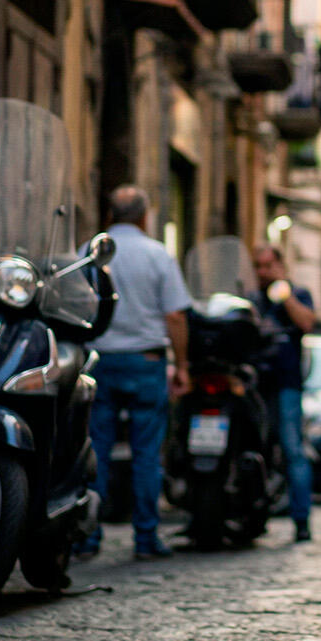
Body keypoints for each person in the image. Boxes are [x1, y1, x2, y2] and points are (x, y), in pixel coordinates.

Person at [79, 185, 191, 560]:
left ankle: (88, 537)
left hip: (101, 362)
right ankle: (145, 539)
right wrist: (182, 366)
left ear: (109, 216)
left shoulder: (90, 252)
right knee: (146, 455)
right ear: (144, 218)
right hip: (145, 362)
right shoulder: (158, 255)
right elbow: (175, 315)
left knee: (96, 450)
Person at [249, 245, 316, 542]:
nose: (263, 272)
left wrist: (283, 289)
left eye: (268, 266)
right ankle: (253, 517)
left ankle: (301, 520)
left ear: (280, 265)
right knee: (254, 452)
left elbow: (306, 322)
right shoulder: (251, 300)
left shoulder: (297, 294)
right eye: (258, 266)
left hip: (286, 386)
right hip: (254, 388)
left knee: (293, 451)